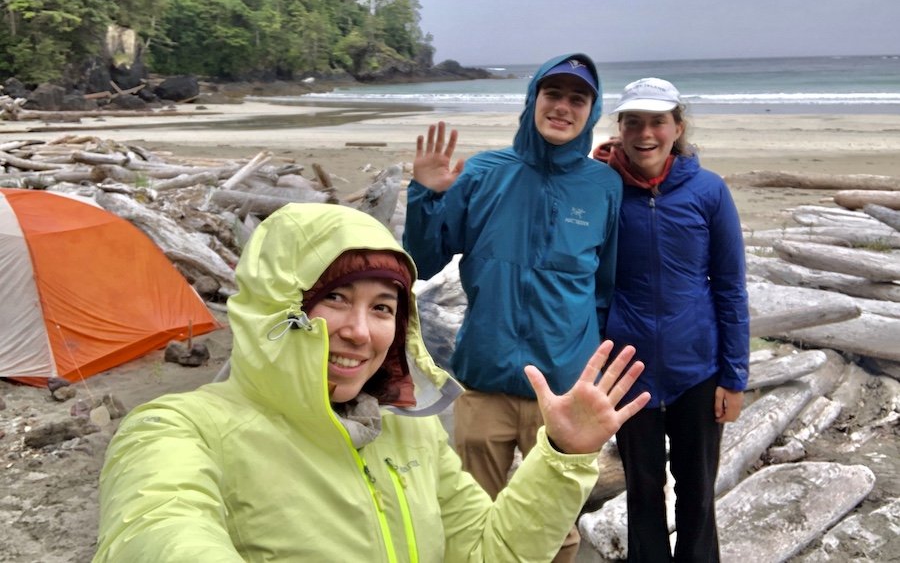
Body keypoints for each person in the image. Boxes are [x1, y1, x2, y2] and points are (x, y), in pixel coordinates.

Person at [93, 202, 650, 562]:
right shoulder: (177, 431)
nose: (360, 331)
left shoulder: (408, 430)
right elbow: (158, 530)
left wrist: (560, 456)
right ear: (276, 305)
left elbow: (487, 552)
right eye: (334, 298)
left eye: (383, 307)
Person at [404, 53, 622, 561]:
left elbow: (605, 284)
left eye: (578, 99)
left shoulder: (604, 186)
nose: (563, 108)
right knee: (471, 519)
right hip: (484, 378)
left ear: (591, 111)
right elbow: (421, 259)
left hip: (563, 390)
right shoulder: (482, 173)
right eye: (554, 95)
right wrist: (424, 195)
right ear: (533, 101)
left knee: (556, 526)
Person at [592, 77, 750, 562]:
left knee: (698, 495)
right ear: (619, 130)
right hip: (626, 372)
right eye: (633, 121)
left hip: (697, 371)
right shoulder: (601, 189)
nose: (646, 133)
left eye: (658, 121)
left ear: (676, 127)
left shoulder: (708, 190)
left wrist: (734, 376)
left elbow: (729, 286)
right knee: (643, 492)